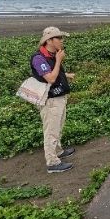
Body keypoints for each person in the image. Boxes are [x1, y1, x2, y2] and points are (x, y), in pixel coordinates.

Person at [32, 26, 75, 173]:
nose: (62, 41)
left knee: (58, 126)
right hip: (50, 101)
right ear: (49, 40)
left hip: (60, 96)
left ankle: (57, 150)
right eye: (59, 38)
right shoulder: (39, 58)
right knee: (51, 130)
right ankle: (52, 162)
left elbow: (53, 73)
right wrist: (58, 60)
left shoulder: (52, 55)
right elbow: (50, 77)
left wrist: (66, 75)